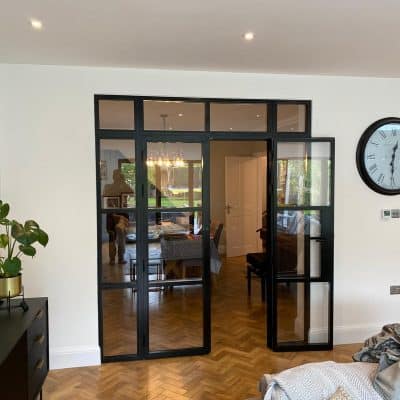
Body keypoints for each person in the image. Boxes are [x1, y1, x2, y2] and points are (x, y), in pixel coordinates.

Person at [103, 169, 134, 264]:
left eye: (119, 176)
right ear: (114, 177)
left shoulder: (120, 186)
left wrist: (123, 183)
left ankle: (117, 258)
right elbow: (105, 198)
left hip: (118, 214)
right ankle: (115, 259)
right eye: (117, 176)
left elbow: (132, 192)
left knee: (119, 237)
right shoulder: (109, 187)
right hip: (114, 214)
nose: (117, 178)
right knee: (114, 237)